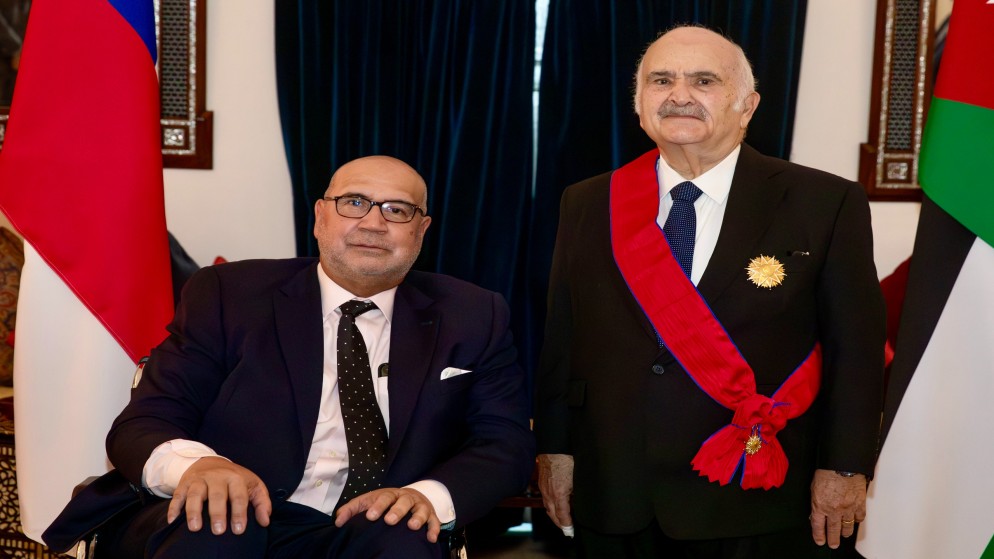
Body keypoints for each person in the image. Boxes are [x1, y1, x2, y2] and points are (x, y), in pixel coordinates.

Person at [44, 155, 535, 558]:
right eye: (354, 202)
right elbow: (145, 421)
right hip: (233, 511)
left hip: (368, 523)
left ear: (421, 230)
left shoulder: (473, 315)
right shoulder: (229, 295)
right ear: (320, 217)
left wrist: (425, 497)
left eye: (397, 210)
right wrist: (199, 467)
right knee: (216, 525)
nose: (373, 223)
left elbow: (504, 442)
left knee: (405, 539)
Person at [534, 26, 885, 558]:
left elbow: (855, 351)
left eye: (704, 81)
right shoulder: (586, 202)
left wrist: (844, 467)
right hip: (615, 486)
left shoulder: (823, 202)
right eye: (660, 81)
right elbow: (563, 338)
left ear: (748, 106)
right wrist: (554, 450)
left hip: (756, 491)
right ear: (639, 103)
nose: (679, 95)